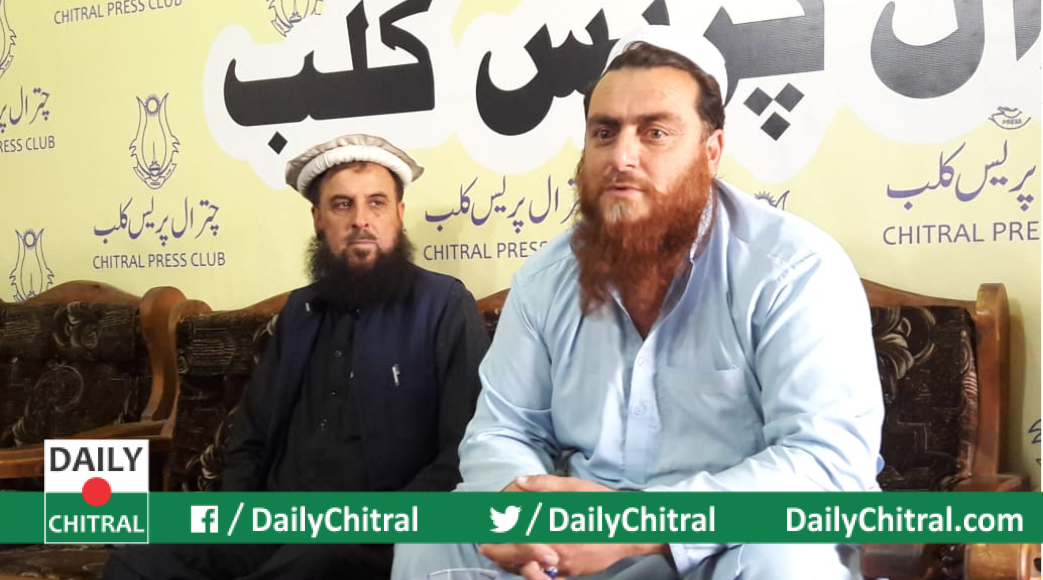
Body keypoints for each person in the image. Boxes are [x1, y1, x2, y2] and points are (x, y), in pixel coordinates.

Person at [392, 26, 883, 580]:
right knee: (433, 535)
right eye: (605, 132)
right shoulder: (544, 280)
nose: (622, 156)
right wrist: (525, 513)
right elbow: (503, 430)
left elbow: (828, 460)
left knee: (789, 559)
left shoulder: (793, 269)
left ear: (711, 151)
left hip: (722, 545)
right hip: (574, 545)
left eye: (655, 132)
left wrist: (639, 525)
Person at [105, 134, 491, 580]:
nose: (361, 220)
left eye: (377, 203)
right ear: (318, 220)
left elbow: (463, 453)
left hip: (373, 535)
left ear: (399, 215)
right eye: (342, 205)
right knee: (138, 560)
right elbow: (250, 438)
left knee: (312, 562)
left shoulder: (443, 306)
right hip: (274, 524)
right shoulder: (300, 311)